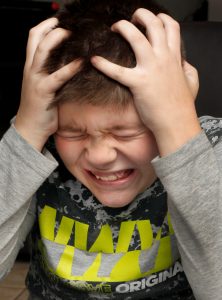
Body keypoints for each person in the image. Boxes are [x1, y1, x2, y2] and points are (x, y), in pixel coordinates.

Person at [0, 0, 222, 299]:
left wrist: (179, 129)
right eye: (72, 131)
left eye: (127, 132)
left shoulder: (211, 146)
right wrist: (26, 132)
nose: (99, 156)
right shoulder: (39, 148)